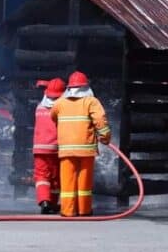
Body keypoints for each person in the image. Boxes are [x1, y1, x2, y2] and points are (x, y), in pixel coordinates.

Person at [50, 71, 111, 217]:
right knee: (84, 181)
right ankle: (84, 210)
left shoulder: (59, 103)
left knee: (67, 181)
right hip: (86, 149)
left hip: (66, 149)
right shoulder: (91, 101)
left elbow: (53, 116)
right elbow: (100, 121)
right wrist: (105, 137)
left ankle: (68, 210)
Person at [33, 78, 66, 214]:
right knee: (56, 177)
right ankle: (52, 202)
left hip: (39, 148)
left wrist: (45, 84)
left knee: (41, 176)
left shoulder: (40, 106)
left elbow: (50, 91)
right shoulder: (62, 108)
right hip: (55, 148)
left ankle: (44, 202)